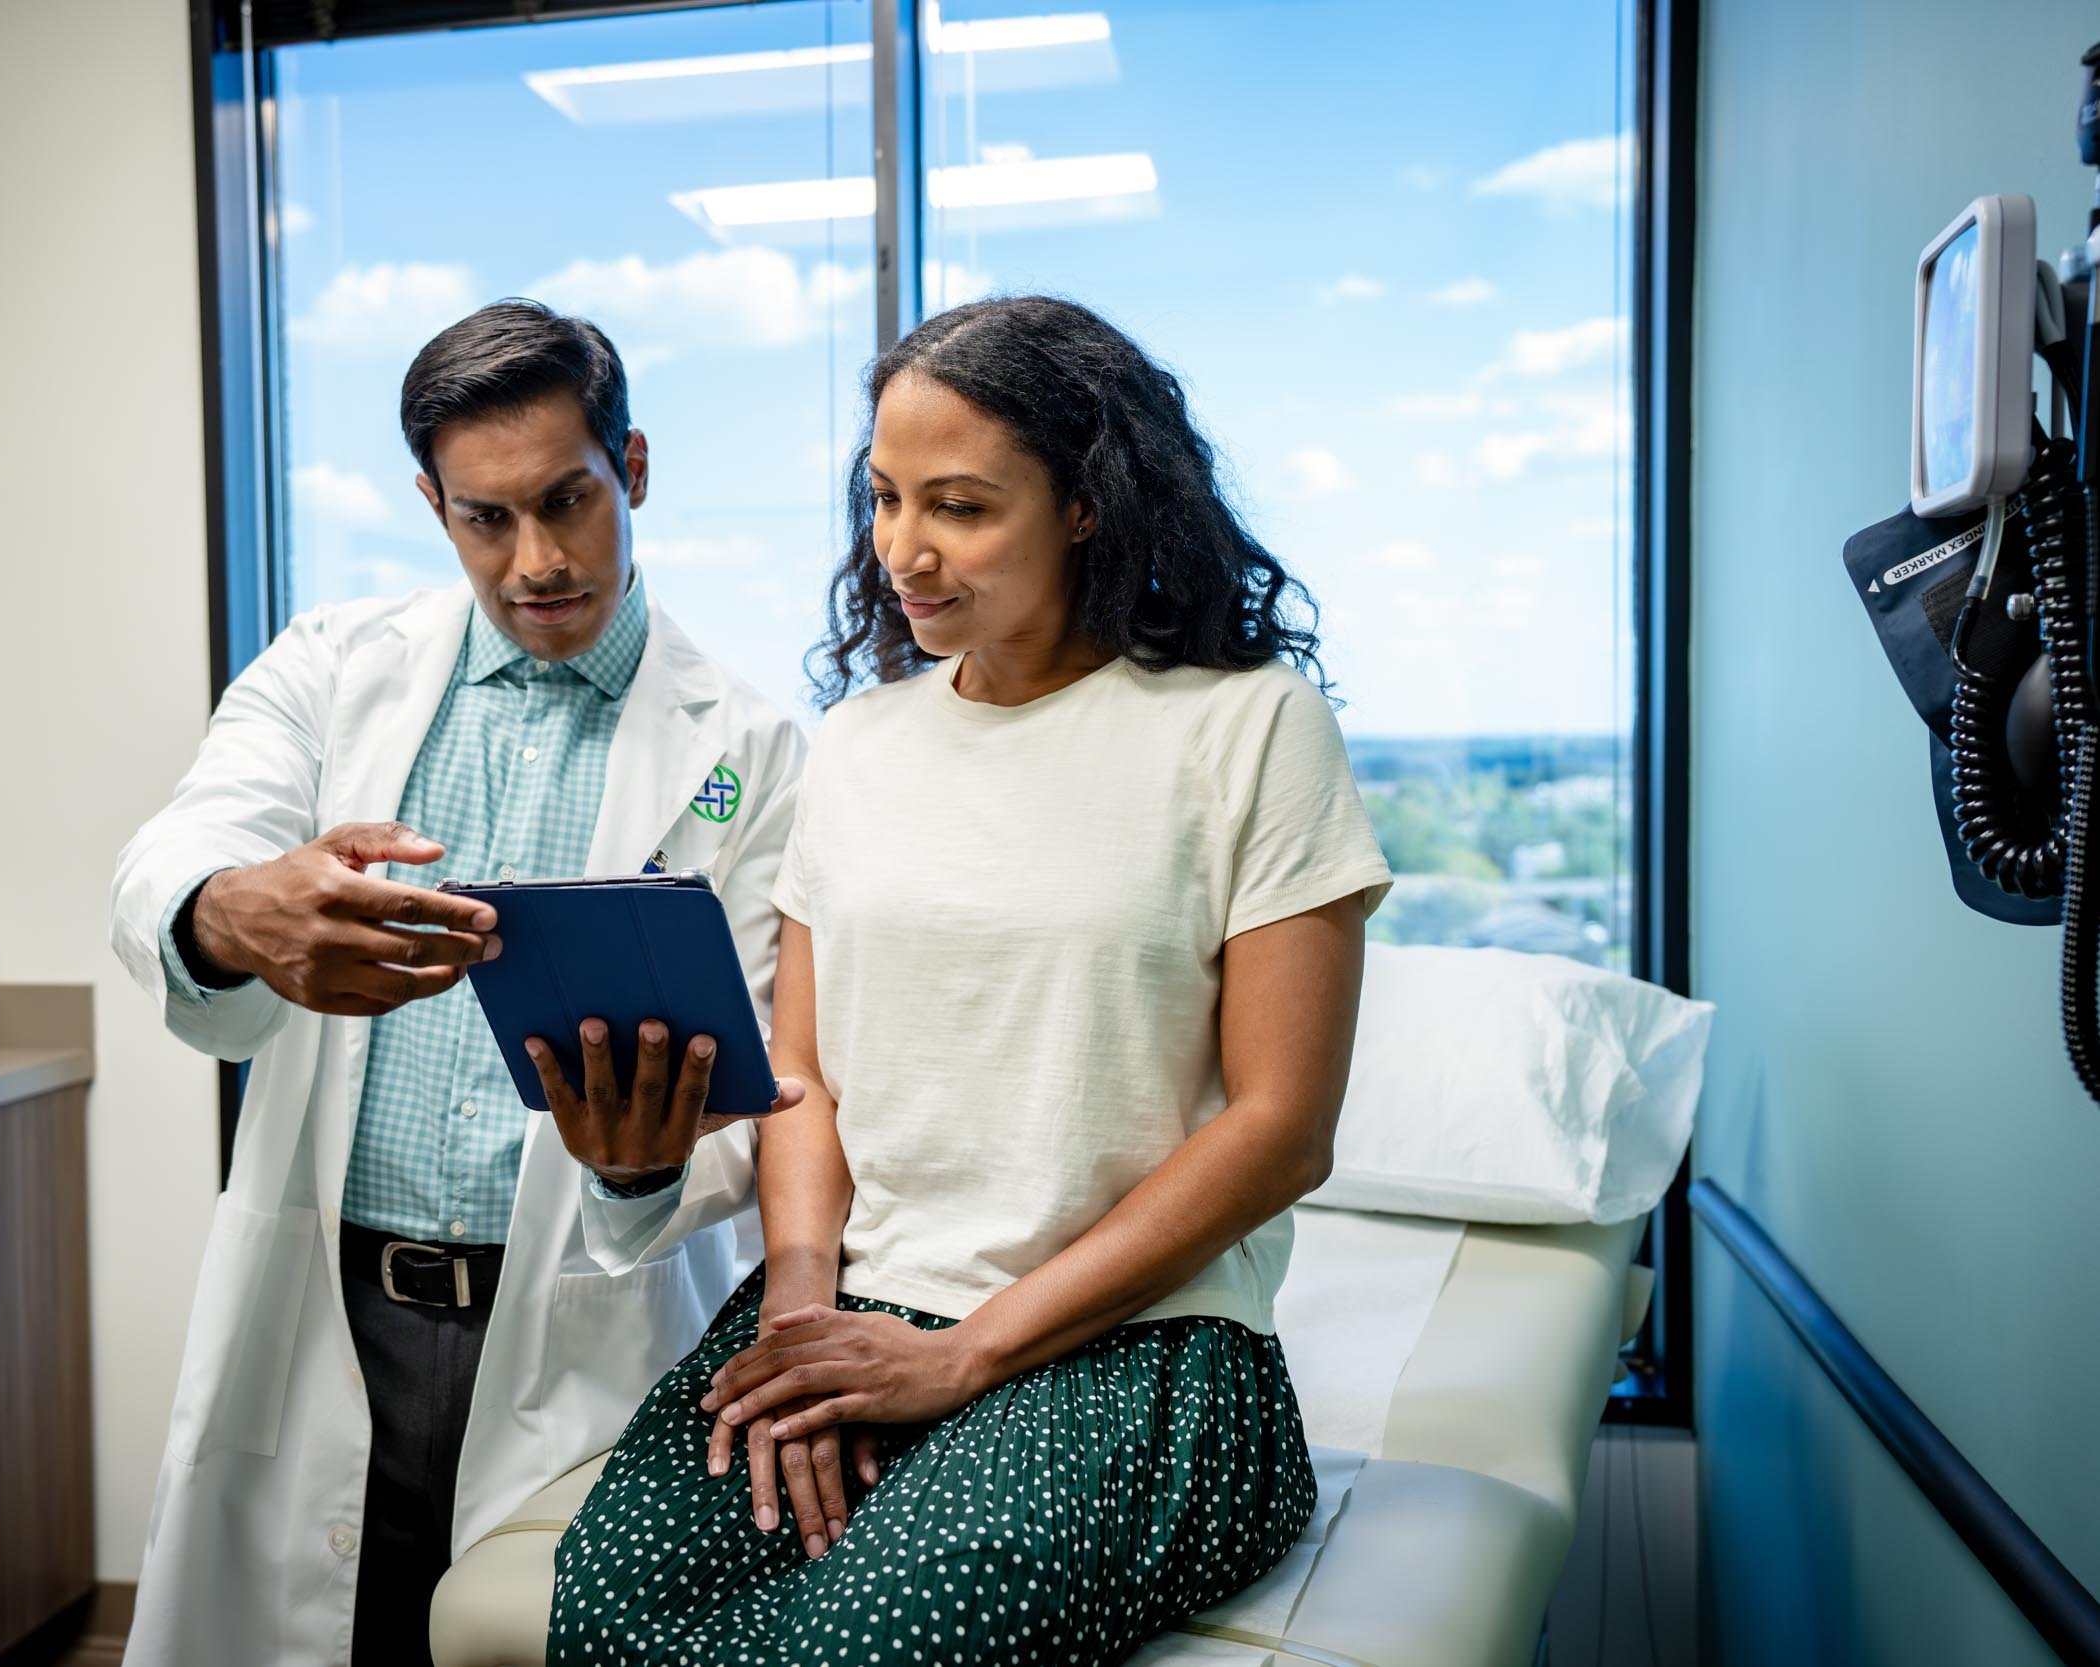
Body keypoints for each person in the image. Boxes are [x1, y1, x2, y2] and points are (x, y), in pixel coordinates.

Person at [548, 295, 1394, 1667]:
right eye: (884, 500)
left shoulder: (1248, 733)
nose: (905, 553)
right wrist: (805, 1307)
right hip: (859, 1306)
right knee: (607, 1612)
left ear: (1087, 505)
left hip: (1144, 1347)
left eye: (960, 507)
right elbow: (807, 1079)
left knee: (849, 1648)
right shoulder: (861, 749)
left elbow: (1281, 1128)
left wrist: (969, 1355)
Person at [110, 300, 805, 1666]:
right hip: (339, 1304)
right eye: (487, 519)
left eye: (569, 501)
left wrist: (642, 1165)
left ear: (636, 469)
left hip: (576, 1321)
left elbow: (773, 1063)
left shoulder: (751, 748)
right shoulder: (333, 672)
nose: (537, 561)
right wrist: (235, 910)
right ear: (433, 505)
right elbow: (181, 847)